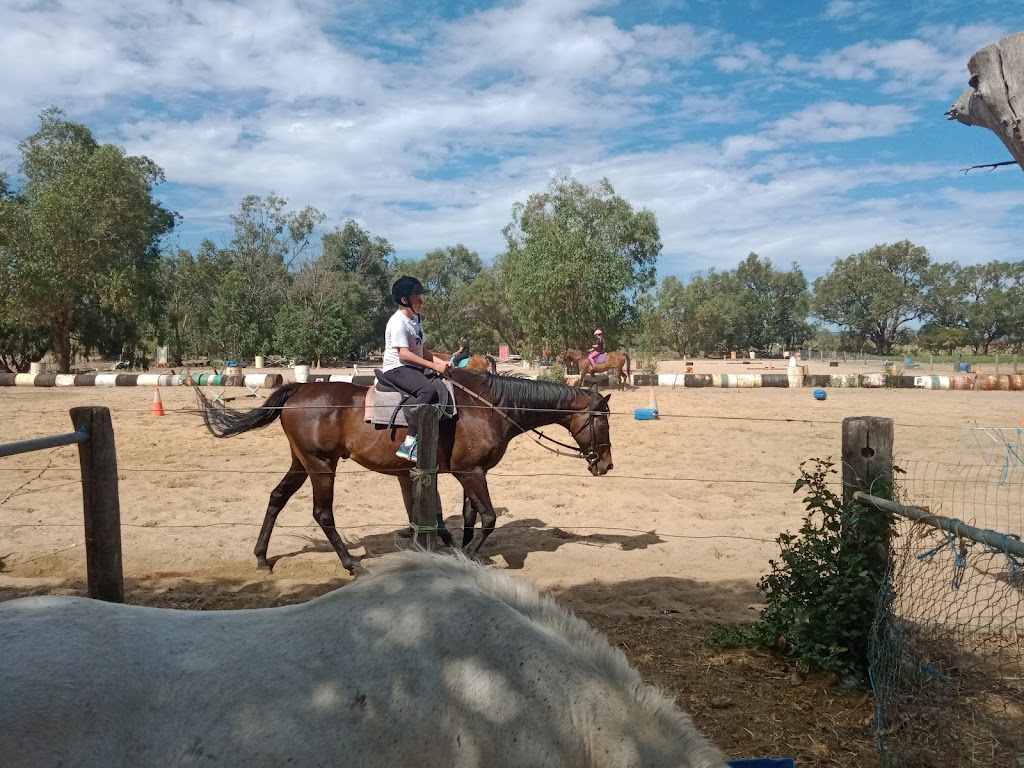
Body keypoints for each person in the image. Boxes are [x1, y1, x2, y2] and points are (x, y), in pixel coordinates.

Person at [383, 276, 450, 461]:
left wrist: (439, 361)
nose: (421, 301)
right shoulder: (398, 322)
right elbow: (404, 354)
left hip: (412, 366)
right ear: (404, 300)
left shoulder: (416, 319)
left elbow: (421, 349)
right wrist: (433, 366)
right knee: (427, 391)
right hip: (397, 367)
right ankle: (409, 443)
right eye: (417, 297)